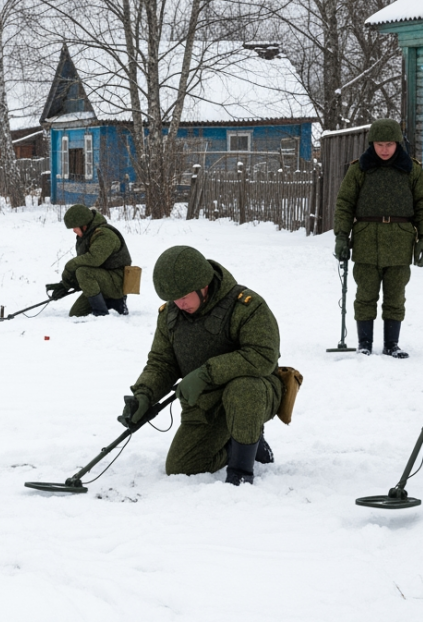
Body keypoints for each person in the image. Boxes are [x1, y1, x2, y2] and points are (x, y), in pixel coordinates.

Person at [119, 246, 280, 485]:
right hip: (205, 402)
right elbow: (162, 363)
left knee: (243, 389)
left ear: (203, 285)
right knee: (181, 467)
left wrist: (207, 373)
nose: (179, 304)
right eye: (173, 298)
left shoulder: (246, 306)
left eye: (184, 296)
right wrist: (145, 394)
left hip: (256, 392)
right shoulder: (170, 315)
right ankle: (238, 441)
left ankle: (241, 472)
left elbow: (263, 356)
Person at [333, 119, 423, 357]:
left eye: (390, 144)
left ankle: (391, 344)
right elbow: (345, 204)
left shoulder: (412, 170)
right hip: (366, 240)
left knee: (395, 295)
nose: (385, 149)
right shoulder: (359, 170)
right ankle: (364, 343)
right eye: (380, 144)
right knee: (365, 293)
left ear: (398, 144)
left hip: (400, 241)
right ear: (372, 144)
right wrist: (340, 236)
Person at [46, 204, 131, 317]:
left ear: (84, 225)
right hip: (102, 281)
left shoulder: (105, 235)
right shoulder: (88, 236)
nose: (73, 230)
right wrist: (65, 285)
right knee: (76, 314)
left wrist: (70, 265)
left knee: (83, 272)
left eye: (75, 227)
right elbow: (87, 267)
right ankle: (111, 303)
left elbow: (93, 260)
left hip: (117, 282)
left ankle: (102, 312)